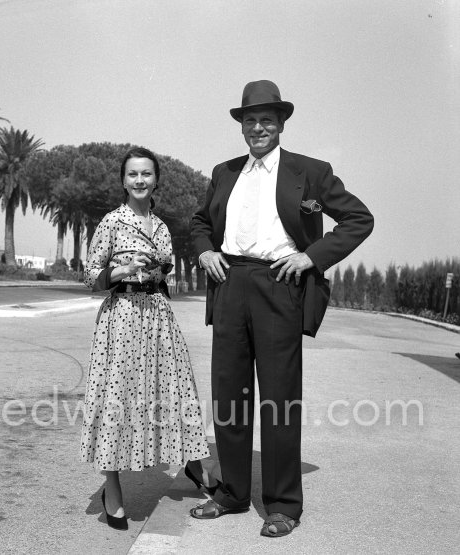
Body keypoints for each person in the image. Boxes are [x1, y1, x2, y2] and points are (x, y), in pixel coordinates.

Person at [190, 80, 374, 537]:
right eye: (250, 120)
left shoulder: (310, 171)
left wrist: (312, 256)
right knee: (230, 395)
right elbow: (198, 222)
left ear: (281, 124)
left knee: (278, 400)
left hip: (280, 285)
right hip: (229, 283)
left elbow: (359, 218)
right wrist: (205, 251)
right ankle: (232, 492)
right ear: (242, 126)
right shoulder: (224, 171)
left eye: (267, 120)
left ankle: (283, 503)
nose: (258, 128)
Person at [80, 146, 215, 530]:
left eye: (147, 174)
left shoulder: (161, 227)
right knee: (117, 398)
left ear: (156, 180)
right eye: (133, 175)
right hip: (121, 320)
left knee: (176, 391)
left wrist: (155, 269)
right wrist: (121, 269)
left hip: (157, 317)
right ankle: (112, 487)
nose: (140, 181)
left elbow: (165, 269)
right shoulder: (112, 222)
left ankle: (193, 463)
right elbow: (91, 276)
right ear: (123, 181)